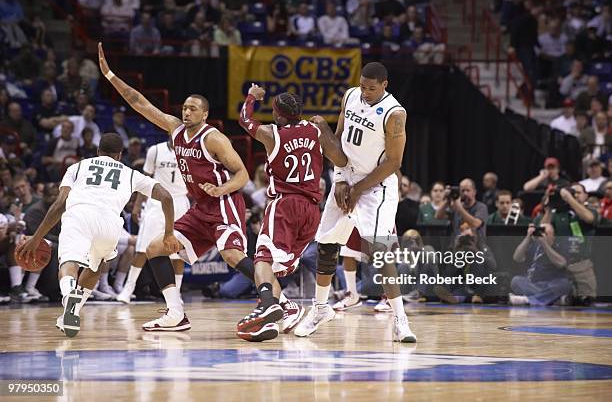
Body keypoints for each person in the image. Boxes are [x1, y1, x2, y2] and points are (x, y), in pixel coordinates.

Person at [98, 43, 298, 331]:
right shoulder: (175, 129)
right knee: (156, 248)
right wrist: (111, 76)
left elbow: (241, 174)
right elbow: (139, 102)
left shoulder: (213, 138)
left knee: (231, 255)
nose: (187, 111)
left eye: (193, 108)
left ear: (204, 114)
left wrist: (222, 189)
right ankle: (176, 313)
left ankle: (283, 302)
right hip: (199, 209)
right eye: (184, 108)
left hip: (224, 205)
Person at [293, 62, 417, 343]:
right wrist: (338, 180)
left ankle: (401, 320)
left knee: (381, 251)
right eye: (363, 86)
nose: (366, 92)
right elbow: (339, 143)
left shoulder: (395, 113)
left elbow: (395, 162)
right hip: (347, 180)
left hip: (377, 186)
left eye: (372, 88)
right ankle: (320, 309)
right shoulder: (350, 96)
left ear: (385, 85)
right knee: (327, 245)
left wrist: (358, 189)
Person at [17, 133, 180, 338]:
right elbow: (166, 197)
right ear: (120, 155)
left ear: (97, 151)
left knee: (69, 263)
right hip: (110, 224)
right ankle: (73, 311)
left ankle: (69, 297)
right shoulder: (130, 173)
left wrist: (37, 237)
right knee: (95, 266)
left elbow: (59, 205)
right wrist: (169, 233)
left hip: (80, 216)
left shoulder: (76, 167)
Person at [235, 85, 348, 341]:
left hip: (285, 205)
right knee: (274, 267)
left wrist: (253, 97)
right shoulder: (316, 129)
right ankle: (281, 313)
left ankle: (268, 305)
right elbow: (339, 159)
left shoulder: (272, 134)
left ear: (277, 114)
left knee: (262, 259)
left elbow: (244, 119)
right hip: (311, 211)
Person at [116, 137, 190, 304]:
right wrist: (137, 205)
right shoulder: (155, 150)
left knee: (178, 252)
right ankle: (128, 289)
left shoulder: (190, 152)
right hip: (156, 203)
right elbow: (146, 181)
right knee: (142, 248)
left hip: (180, 202)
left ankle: (176, 294)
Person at [509, 223, 571, 306]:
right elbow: (517, 258)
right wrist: (528, 237)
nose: (542, 235)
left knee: (564, 284)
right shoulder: (534, 246)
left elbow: (561, 264)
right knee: (516, 281)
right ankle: (552, 299)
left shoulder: (559, 246)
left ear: (553, 236)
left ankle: (528, 300)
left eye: (546, 233)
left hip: (551, 283)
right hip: (534, 283)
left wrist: (544, 244)